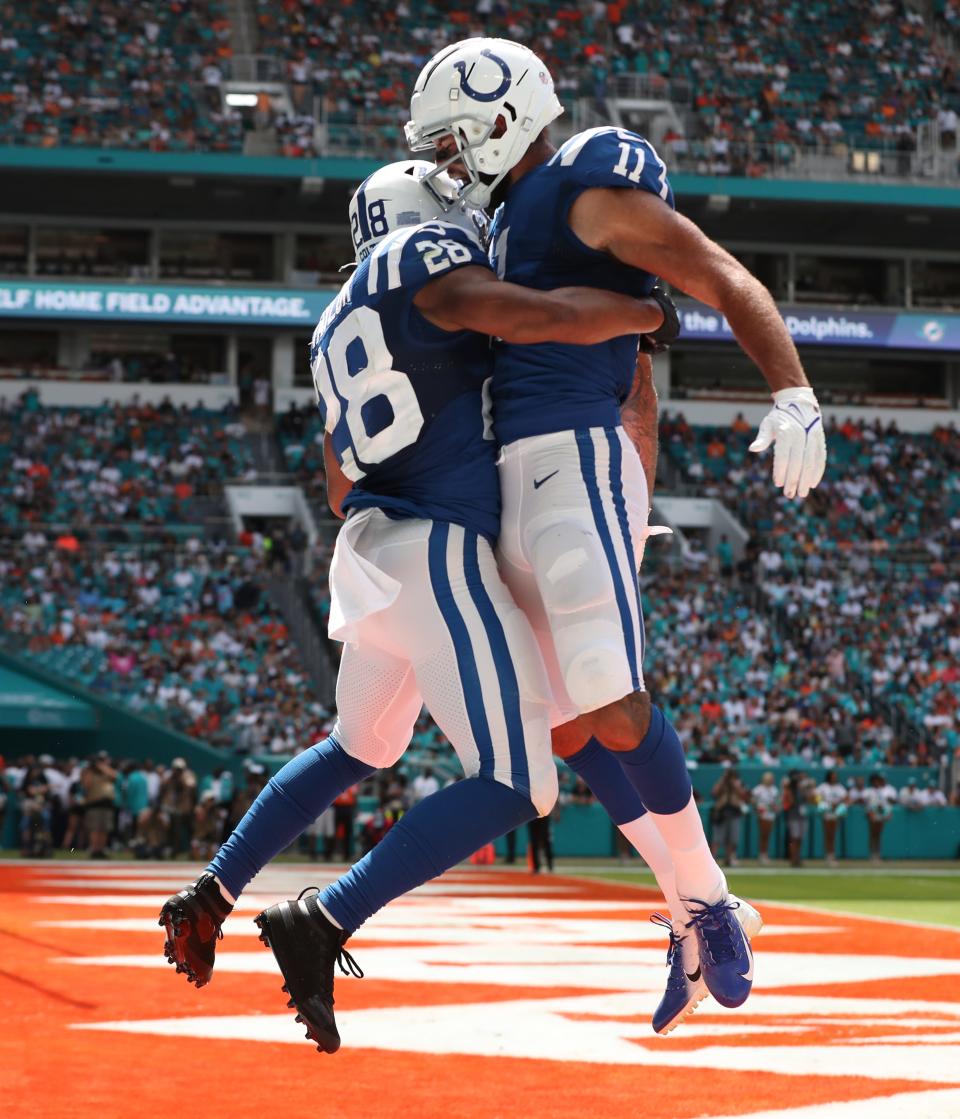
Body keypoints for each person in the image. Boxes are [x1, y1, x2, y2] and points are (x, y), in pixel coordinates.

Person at [159, 160, 667, 1051]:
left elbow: (335, 481)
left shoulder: (329, 325)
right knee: (519, 780)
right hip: (438, 548)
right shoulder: (424, 256)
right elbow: (536, 318)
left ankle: (215, 885)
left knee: (360, 743)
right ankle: (326, 916)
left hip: (368, 554)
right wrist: (642, 312)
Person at [406, 37, 811, 1022]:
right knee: (557, 724)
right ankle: (689, 910)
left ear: (506, 118)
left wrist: (794, 391)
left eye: (457, 144)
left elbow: (716, 274)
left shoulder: (585, 182)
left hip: (574, 454)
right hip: (514, 477)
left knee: (611, 701)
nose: (450, 168)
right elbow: (635, 346)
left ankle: (709, 902)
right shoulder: (503, 222)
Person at [80, 752, 116, 859]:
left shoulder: (106, 771)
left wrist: (103, 767)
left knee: (104, 828)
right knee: (95, 828)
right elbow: (86, 785)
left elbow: (114, 776)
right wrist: (91, 770)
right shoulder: (88, 772)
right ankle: (94, 849)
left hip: (107, 804)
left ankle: (101, 849)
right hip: (94, 803)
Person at [710, 767, 747, 867]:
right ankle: (712, 860)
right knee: (717, 838)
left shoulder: (739, 783)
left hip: (734, 812)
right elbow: (714, 793)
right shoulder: (722, 783)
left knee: (732, 838)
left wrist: (735, 785)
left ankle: (729, 859)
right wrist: (723, 781)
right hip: (721, 812)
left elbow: (744, 795)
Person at [815, 769, 848, 866]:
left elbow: (846, 798)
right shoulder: (823, 787)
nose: (835, 777)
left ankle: (831, 854)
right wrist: (823, 804)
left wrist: (839, 804)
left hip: (836, 812)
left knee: (833, 835)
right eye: (833, 776)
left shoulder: (839, 787)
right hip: (827, 812)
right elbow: (817, 796)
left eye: (835, 776)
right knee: (828, 834)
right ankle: (828, 855)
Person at [864, 773, 894, 865]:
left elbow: (885, 803)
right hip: (873, 814)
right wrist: (870, 813)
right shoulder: (869, 791)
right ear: (873, 782)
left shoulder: (882, 791)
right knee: (873, 834)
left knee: (878, 835)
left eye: (878, 781)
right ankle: (872, 854)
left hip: (880, 814)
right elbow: (867, 804)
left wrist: (887, 813)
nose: (877, 783)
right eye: (875, 781)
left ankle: (877, 854)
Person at [752, 771, 779, 865]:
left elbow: (776, 803)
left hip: (771, 815)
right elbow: (754, 802)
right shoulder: (758, 789)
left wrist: (775, 807)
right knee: (763, 835)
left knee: (767, 835)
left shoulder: (774, 789)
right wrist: (758, 809)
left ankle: (764, 854)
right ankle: (762, 854)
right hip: (762, 815)